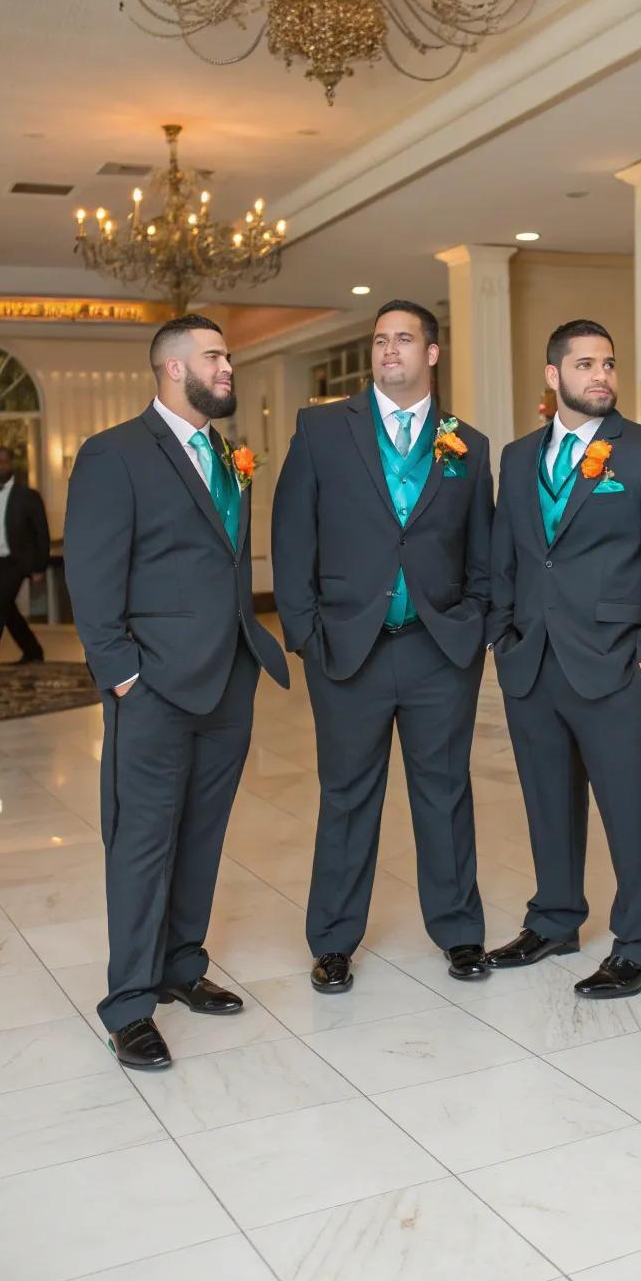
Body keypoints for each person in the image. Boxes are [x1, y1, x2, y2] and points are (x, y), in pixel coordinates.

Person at [64, 314, 289, 1070]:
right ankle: (129, 1003)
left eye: (227, 356)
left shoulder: (226, 454)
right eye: (216, 357)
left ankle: (180, 968)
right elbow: (92, 577)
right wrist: (122, 672)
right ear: (171, 368)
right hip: (154, 684)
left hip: (229, 676)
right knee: (141, 842)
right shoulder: (114, 455)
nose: (229, 367)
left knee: (202, 834)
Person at [272, 300, 494, 993]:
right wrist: (307, 633)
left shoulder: (468, 444)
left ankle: (459, 933)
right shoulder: (320, 429)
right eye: (380, 340)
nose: (388, 350)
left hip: (438, 649)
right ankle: (334, 941)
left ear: (432, 354)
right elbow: (290, 539)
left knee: (445, 793)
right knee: (346, 795)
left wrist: (474, 626)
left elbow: (483, 552)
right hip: (348, 647)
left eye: (403, 340)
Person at [486, 320, 641, 998]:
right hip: (533, 661)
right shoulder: (518, 459)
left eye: (607, 363)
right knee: (547, 803)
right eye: (584, 364)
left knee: (630, 808)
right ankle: (554, 919)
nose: (600, 375)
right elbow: (506, 559)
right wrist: (503, 638)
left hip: (613, 662)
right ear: (553, 377)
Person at [0, 446, 49, 675]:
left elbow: (40, 532)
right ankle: (33, 650)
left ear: (11, 464)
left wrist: (39, 566)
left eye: (4, 462)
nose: (0, 466)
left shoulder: (29, 496)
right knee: (6, 610)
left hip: (16, 563)